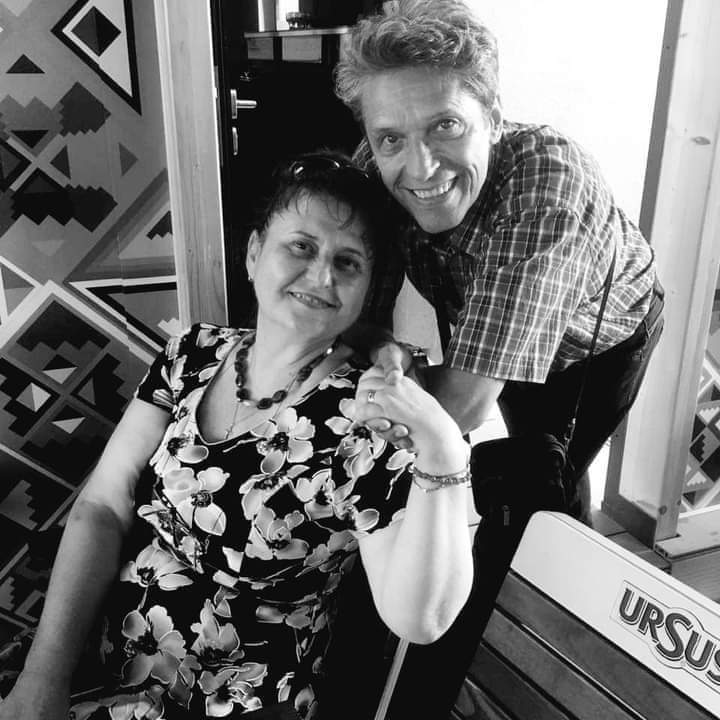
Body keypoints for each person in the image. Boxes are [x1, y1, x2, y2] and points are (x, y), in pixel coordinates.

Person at [0, 151, 473, 720]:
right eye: (301, 247)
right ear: (253, 253)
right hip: (93, 655)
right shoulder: (193, 354)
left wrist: (443, 448)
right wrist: (44, 675)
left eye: (347, 263)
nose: (321, 276)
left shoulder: (364, 421)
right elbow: (103, 506)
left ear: (367, 289)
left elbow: (418, 618)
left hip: (227, 701)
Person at [333, 1, 665, 717]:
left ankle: (555, 647)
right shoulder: (379, 165)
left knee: (544, 477)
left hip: (598, 341)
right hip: (488, 316)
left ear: (492, 115)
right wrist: (386, 354)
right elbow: (358, 312)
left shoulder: (547, 190)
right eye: (390, 138)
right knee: (511, 463)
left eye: (445, 126)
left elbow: (461, 406)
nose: (418, 165)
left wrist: (341, 460)